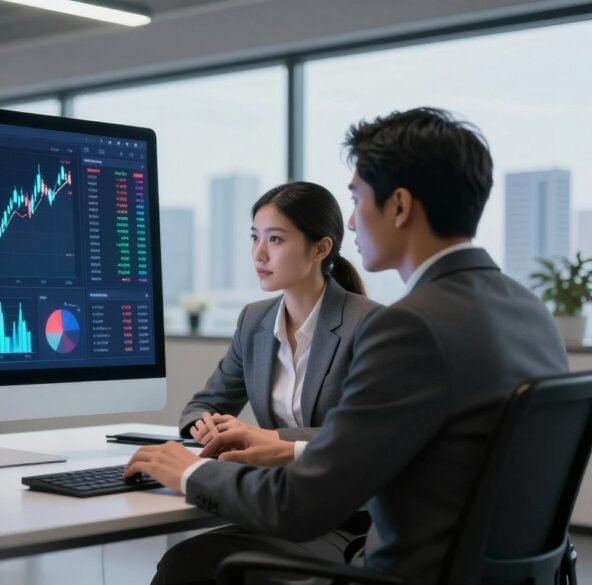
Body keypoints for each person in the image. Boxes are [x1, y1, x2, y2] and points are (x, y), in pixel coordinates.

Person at [126, 107, 569, 585]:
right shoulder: (529, 311)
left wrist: (187, 473)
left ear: (399, 206)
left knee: (188, 567)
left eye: (357, 198)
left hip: (398, 572)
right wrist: (282, 447)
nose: (353, 222)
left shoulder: (409, 327)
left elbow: (301, 506)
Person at [180, 181, 381, 473]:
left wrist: (267, 438)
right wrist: (206, 425)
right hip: (277, 490)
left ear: (320, 249)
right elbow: (202, 405)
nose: (259, 253)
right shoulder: (253, 320)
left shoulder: (368, 323)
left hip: (346, 497)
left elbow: (363, 434)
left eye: (275, 239)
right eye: (254, 237)